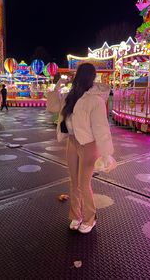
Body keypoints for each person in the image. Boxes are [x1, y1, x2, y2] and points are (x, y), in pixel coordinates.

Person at [47, 63, 116, 234]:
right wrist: (56, 87)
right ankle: (76, 216)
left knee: (84, 184)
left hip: (88, 145)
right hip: (72, 141)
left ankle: (89, 218)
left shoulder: (95, 100)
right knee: (74, 182)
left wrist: (106, 154)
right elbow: (52, 107)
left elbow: (101, 128)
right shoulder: (71, 96)